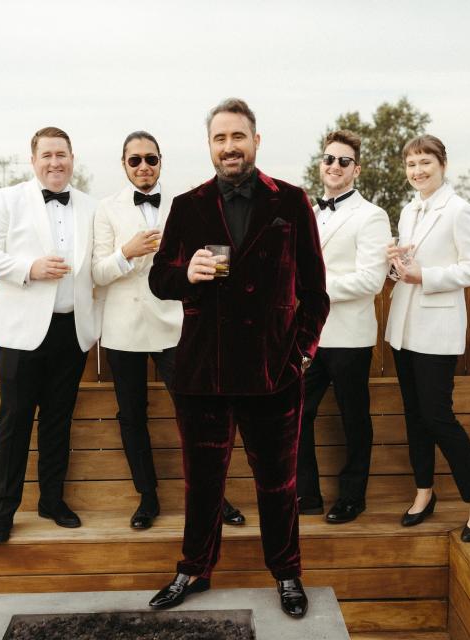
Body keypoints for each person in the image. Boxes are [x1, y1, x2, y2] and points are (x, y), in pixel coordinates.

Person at [147, 98, 329, 618]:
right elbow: (160, 279)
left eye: (237, 136)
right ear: (209, 146)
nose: (229, 146)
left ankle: (288, 574)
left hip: (275, 375)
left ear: (256, 140)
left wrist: (300, 356)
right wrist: (187, 274)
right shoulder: (187, 205)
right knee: (202, 481)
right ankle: (194, 568)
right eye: (219, 138)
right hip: (202, 373)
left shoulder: (292, 202)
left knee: (279, 484)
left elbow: (316, 293)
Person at [91, 130, 246, 530]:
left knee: (198, 414)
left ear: (161, 161)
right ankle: (147, 498)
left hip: (178, 325)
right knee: (132, 415)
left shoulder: (189, 203)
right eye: (135, 160)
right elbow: (97, 272)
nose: (144, 167)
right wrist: (127, 253)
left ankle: (215, 497)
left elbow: (219, 256)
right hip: (124, 327)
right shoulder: (105, 209)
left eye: (151, 159)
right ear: (124, 165)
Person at [0, 126, 102, 543]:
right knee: (14, 421)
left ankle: (52, 501)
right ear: (33, 161)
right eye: (46, 155)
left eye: (61, 154)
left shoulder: (90, 206)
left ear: (72, 158)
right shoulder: (7, 199)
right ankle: (3, 513)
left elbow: (97, 266)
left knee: (58, 422)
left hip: (72, 330)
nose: (54, 162)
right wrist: (30, 269)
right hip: (20, 333)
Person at [385, 134, 470, 542]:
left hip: (438, 330)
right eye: (411, 164)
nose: (418, 171)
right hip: (404, 328)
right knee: (414, 416)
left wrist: (425, 276)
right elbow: (408, 268)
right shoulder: (408, 210)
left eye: (425, 162)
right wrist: (397, 267)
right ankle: (424, 491)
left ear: (442, 164)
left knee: (438, 417)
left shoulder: (459, 210)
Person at [297, 129, 392, 524]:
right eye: (329, 159)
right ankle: (307, 495)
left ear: (356, 169)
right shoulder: (310, 212)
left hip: (350, 335)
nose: (334, 166)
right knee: (297, 412)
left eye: (343, 161)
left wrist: (311, 287)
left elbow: (371, 281)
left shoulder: (372, 216)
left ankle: (353, 497)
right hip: (309, 336)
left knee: (354, 418)